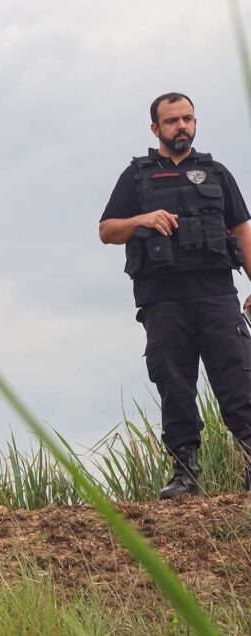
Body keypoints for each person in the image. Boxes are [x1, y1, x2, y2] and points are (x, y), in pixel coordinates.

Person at [99, 92, 251, 498]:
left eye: (187, 119)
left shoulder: (216, 172)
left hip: (218, 294)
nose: (181, 126)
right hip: (162, 300)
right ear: (156, 128)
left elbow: (241, 230)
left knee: (239, 380)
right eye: (172, 121)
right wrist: (142, 218)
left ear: (195, 123)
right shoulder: (137, 176)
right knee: (176, 385)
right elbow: (107, 230)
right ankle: (185, 473)